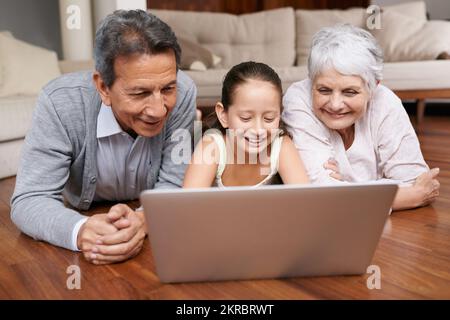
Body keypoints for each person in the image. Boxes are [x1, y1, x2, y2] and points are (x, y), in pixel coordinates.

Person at [10, 10, 197, 264]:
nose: (158, 109)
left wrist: (144, 220)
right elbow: (30, 199)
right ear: (103, 87)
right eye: (140, 93)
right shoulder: (60, 102)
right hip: (84, 213)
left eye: (167, 89)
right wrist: (82, 230)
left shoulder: (184, 93)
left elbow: (176, 182)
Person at [282, 24, 440, 211]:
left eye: (350, 92)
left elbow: (412, 179)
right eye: (324, 90)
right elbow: (320, 196)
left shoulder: (385, 101)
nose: (335, 104)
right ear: (311, 82)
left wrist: (344, 191)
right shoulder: (299, 98)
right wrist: (408, 197)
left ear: (373, 87)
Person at [183, 61, 309, 188]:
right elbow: (188, 205)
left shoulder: (281, 145)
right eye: (246, 118)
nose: (258, 130)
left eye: (269, 119)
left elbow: (306, 200)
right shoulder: (212, 146)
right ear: (223, 115)